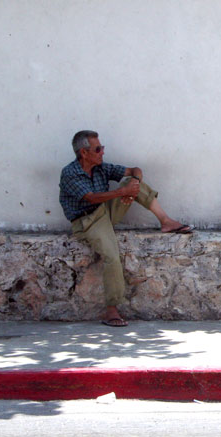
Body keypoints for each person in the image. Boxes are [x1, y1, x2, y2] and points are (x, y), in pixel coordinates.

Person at [58, 130, 192, 327]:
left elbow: (134, 170)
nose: (102, 152)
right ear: (83, 153)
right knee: (112, 256)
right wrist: (122, 192)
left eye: (101, 147)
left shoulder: (101, 167)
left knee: (132, 184)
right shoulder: (70, 173)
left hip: (105, 211)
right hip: (87, 221)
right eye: (98, 149)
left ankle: (165, 221)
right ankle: (111, 309)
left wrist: (134, 183)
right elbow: (91, 197)